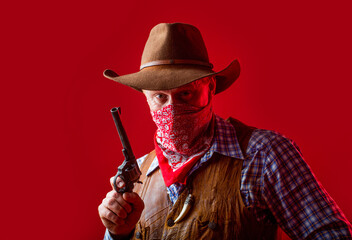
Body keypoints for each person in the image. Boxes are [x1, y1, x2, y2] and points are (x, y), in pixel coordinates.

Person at [98, 23, 352, 240]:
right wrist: (118, 232)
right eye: (160, 97)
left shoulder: (264, 154)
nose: (172, 108)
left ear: (210, 87)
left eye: (185, 93)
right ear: (145, 98)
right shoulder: (138, 176)